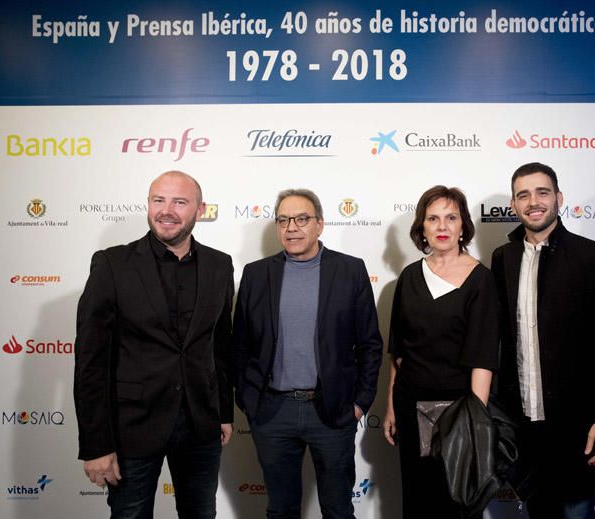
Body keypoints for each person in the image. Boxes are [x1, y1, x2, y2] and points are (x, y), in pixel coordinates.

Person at [74, 170, 234, 519]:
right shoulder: (112, 264)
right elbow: (90, 362)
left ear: (200, 209)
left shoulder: (220, 266)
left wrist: (223, 412)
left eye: (179, 202)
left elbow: (219, 348)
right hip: (132, 426)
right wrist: (96, 444)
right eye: (158, 200)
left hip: (200, 425)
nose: (167, 210)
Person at [233, 188, 382, 519]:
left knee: (338, 510)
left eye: (302, 219)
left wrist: (360, 403)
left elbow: (370, 343)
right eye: (283, 220)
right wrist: (248, 400)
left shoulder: (350, 270)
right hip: (272, 412)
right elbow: (240, 344)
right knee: (281, 509)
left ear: (320, 224)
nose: (292, 227)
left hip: (331, 411)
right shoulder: (256, 275)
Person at [491, 162, 595, 519]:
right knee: (538, 511)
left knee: (577, 509)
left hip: (577, 425)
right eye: (523, 195)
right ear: (514, 205)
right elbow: (501, 340)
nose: (533, 201)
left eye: (542, 192)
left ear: (559, 198)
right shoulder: (503, 258)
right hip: (523, 425)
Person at [383, 185, 500, 519]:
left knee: (457, 506)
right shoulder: (408, 277)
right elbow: (399, 351)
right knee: (418, 503)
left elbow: (483, 358)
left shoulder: (481, 280)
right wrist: (391, 405)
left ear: (463, 225)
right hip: (410, 407)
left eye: (451, 217)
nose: (442, 226)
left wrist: (476, 424)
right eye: (433, 219)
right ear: (422, 227)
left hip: (459, 414)